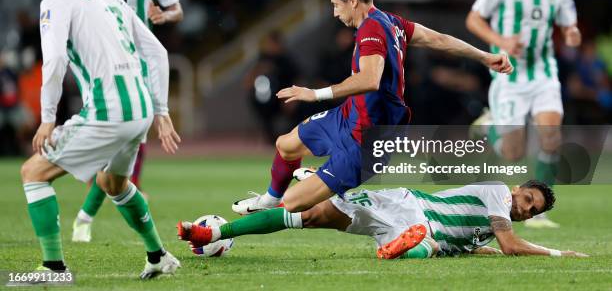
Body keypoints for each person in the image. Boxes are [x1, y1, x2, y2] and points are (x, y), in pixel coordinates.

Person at [232, 0, 513, 215]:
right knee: (285, 144)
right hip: (349, 116)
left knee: (294, 206)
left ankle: (219, 233)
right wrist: (484, 56)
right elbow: (437, 39)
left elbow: (369, 79)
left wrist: (314, 94)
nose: (334, 12)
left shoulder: (371, 31)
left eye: (336, 4)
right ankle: (270, 199)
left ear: (352, 0)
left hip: (367, 139)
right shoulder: (392, 22)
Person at [20, 0, 181, 278]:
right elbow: (158, 52)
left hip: (109, 111)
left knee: (33, 173)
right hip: (139, 108)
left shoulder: (55, 2)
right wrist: (162, 110)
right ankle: (159, 256)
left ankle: (54, 267)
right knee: (114, 185)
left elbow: (55, 61)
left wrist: (48, 118)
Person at [73, 0, 183, 243]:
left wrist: (163, 16)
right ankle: (110, 196)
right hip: (99, 63)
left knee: (132, 128)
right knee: (116, 133)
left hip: (138, 61)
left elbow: (177, 9)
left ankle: (92, 211)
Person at [466, 0, 581, 228]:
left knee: (551, 136)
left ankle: (538, 211)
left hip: (544, 73)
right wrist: (502, 42)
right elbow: (473, 18)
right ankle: (490, 123)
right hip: (510, 75)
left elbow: (569, 24)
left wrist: (571, 33)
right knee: (513, 154)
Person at [178, 179, 587, 259]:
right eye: (527, 199)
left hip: (411, 220)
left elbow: (493, 248)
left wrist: (488, 253)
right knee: (427, 244)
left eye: (531, 211)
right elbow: (511, 245)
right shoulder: (498, 191)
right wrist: (556, 253)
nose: (524, 208)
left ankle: (213, 231)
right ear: (517, 188)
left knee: (310, 217)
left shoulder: (484, 231)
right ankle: (402, 248)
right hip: (411, 208)